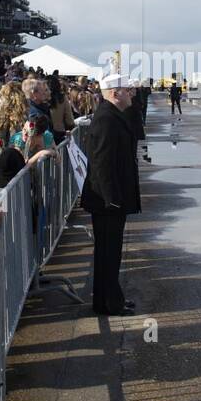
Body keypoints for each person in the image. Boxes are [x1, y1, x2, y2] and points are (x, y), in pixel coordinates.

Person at [81, 73, 141, 315]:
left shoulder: (112, 115)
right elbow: (102, 164)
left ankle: (109, 298)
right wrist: (112, 199)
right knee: (108, 253)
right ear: (115, 93)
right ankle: (109, 303)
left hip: (109, 199)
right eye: (127, 89)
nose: (131, 93)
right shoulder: (107, 119)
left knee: (110, 253)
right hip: (107, 201)